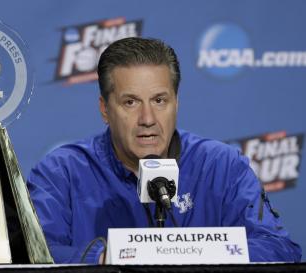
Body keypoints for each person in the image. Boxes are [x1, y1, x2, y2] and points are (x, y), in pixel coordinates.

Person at [27, 37, 302, 264]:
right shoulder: (61, 172)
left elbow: (280, 249)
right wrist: (106, 258)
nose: (148, 118)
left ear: (176, 103)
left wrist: (191, 253)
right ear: (105, 109)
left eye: (159, 100)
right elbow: (34, 255)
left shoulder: (222, 166)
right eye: (131, 102)